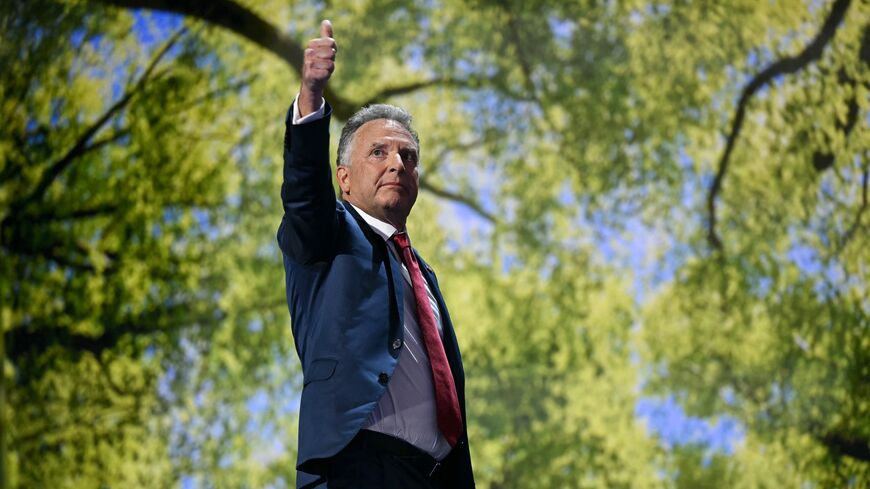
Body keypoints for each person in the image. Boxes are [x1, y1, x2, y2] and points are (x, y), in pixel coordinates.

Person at [277, 19, 475, 489]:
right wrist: (310, 97)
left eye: (408, 157)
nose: (396, 164)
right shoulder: (328, 234)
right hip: (356, 468)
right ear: (343, 178)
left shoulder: (423, 274)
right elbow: (305, 192)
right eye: (379, 152)